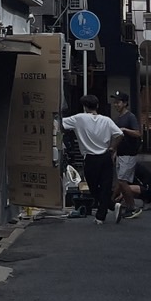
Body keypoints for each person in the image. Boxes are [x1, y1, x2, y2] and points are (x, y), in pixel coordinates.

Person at [60, 95, 123, 224]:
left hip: (90, 157)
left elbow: (60, 123)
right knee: (106, 186)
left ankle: (104, 213)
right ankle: (108, 209)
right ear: (97, 106)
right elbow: (119, 134)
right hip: (105, 156)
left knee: (93, 188)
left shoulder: (79, 119)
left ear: (84, 107)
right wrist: (112, 148)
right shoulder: (107, 120)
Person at [111, 92, 142, 221]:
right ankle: (116, 202)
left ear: (125, 103)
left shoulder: (130, 117)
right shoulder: (118, 118)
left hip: (129, 155)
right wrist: (115, 151)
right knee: (121, 181)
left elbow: (138, 133)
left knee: (123, 181)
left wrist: (125, 130)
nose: (116, 105)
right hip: (121, 154)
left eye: (118, 102)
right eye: (115, 103)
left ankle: (132, 207)